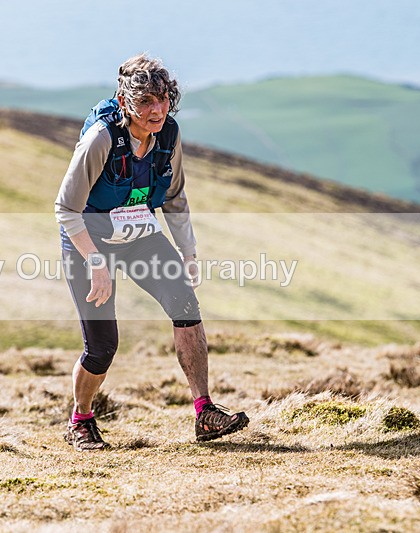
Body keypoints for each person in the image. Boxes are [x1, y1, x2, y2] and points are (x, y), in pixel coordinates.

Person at [55, 54, 249, 450]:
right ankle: (81, 419)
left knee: (186, 307)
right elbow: (66, 209)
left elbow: (174, 197)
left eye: (162, 98)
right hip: (88, 237)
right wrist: (96, 262)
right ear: (125, 103)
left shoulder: (169, 136)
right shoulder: (101, 140)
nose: (156, 109)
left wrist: (188, 253)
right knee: (102, 346)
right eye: (145, 101)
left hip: (139, 234)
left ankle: (205, 412)